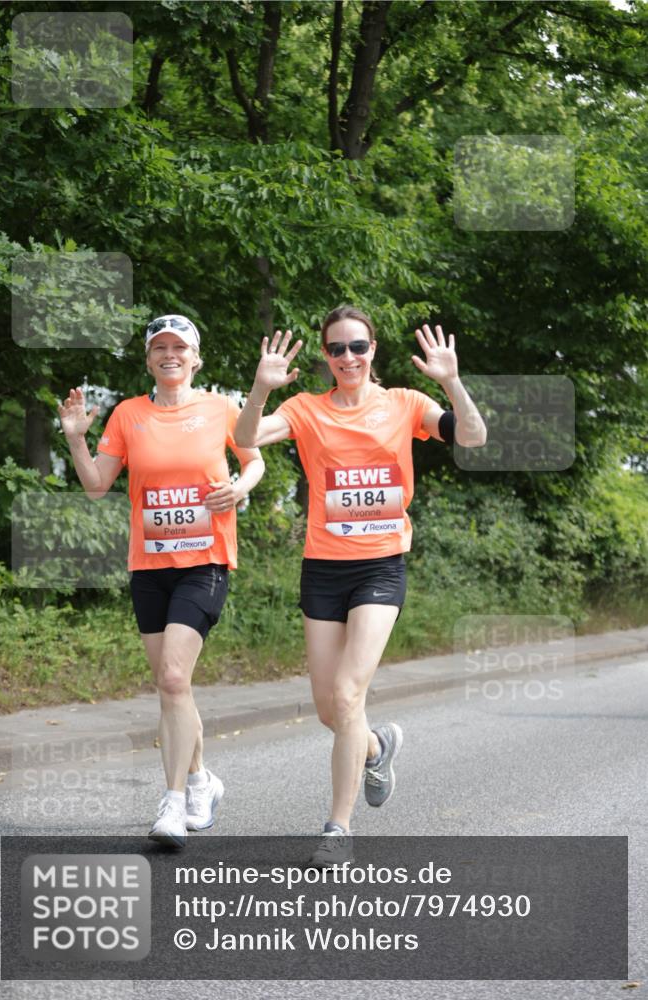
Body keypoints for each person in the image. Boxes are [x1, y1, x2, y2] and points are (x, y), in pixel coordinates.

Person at [235, 305, 486, 865]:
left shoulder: (403, 404)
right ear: (325, 357)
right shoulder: (305, 409)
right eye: (336, 349)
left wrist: (451, 381)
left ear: (373, 350)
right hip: (323, 568)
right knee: (331, 710)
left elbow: (473, 436)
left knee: (350, 695)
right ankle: (378, 746)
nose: (348, 357)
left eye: (357, 346)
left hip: (380, 565)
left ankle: (336, 828)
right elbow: (244, 435)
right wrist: (259, 387)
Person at [58, 315, 264, 847]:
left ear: (196, 359)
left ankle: (172, 804)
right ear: (149, 359)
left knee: (173, 679)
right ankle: (202, 781)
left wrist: (239, 488)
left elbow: (255, 459)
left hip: (205, 561)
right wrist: (76, 439)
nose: (170, 354)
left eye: (180, 347)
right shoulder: (128, 414)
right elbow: (98, 486)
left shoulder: (220, 408)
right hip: (149, 568)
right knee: (175, 688)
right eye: (159, 347)